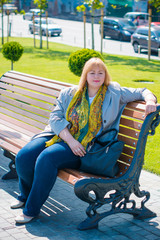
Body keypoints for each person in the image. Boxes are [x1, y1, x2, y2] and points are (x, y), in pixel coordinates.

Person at [11, 57, 157, 224]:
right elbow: (55, 117)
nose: (96, 76)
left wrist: (151, 100)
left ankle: (31, 210)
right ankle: (25, 195)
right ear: (85, 75)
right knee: (24, 156)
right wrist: (70, 140)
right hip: (61, 136)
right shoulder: (70, 93)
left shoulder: (114, 92)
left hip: (87, 146)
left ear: (105, 75)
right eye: (92, 72)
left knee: (47, 158)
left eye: (100, 73)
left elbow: (143, 91)